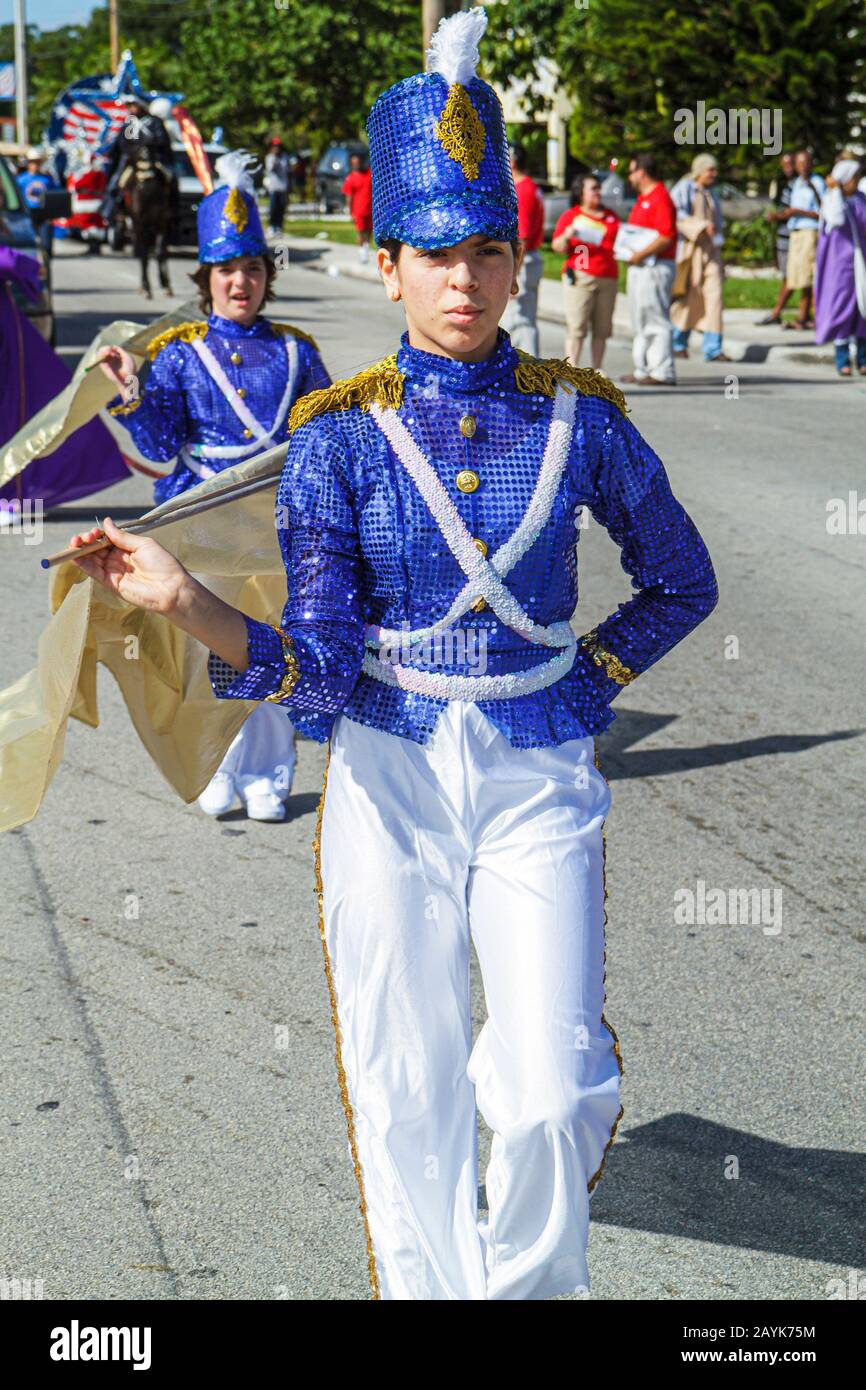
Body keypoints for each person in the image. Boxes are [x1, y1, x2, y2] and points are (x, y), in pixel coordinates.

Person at [66, 6, 718, 1300]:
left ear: (517, 259)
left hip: (538, 776)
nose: (462, 279)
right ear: (385, 265)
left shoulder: (580, 423)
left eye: (486, 249)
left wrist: (587, 680)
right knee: (404, 1075)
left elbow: (680, 580)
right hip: (388, 770)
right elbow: (317, 666)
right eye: (434, 253)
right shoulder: (336, 438)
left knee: (540, 1089)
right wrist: (185, 596)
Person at [92, 151, 331, 821]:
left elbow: (322, 440)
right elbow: (162, 445)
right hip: (199, 522)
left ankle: (269, 774)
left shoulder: (296, 351)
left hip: (274, 526)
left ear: (266, 276)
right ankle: (217, 766)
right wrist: (132, 391)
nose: (240, 283)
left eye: (252, 269)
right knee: (210, 654)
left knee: (276, 645)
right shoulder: (181, 352)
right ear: (207, 279)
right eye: (227, 270)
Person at [551, 172, 620, 371]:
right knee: (577, 326)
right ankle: (572, 370)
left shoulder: (610, 217)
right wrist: (567, 235)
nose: (598, 192)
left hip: (607, 277)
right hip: (580, 278)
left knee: (602, 328)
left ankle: (597, 370)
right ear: (581, 193)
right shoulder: (572, 216)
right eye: (593, 189)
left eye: (599, 188)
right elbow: (557, 246)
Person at [621, 153, 678, 386]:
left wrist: (639, 254)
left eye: (632, 171)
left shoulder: (661, 197)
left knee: (654, 318)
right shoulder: (644, 198)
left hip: (654, 267)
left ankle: (662, 370)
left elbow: (667, 235)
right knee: (639, 318)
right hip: (639, 266)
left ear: (642, 172)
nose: (630, 176)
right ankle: (643, 367)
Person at [670, 153, 730, 363]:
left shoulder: (710, 194)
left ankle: (713, 348)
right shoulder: (683, 189)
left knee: (715, 297)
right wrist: (702, 227)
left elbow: (718, 223)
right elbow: (676, 216)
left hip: (710, 251)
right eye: (710, 170)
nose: (713, 174)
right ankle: (678, 343)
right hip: (690, 251)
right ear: (700, 171)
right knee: (689, 298)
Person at [814, 158, 866, 377]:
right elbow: (835, 218)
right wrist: (835, 190)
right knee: (842, 308)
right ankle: (842, 359)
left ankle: (863, 359)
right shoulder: (833, 201)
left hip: (861, 262)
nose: (857, 181)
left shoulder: (861, 199)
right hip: (840, 264)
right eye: (853, 178)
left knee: (862, 309)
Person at [500, 142, 544, 353]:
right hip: (525, 258)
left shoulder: (523, 189)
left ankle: (529, 372)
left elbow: (522, 237)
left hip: (523, 259)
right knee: (520, 316)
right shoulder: (528, 187)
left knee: (520, 318)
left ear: (512, 160)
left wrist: (512, 274)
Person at [781, 149, 826, 330]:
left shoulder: (817, 182)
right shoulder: (797, 183)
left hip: (810, 231)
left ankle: (816, 317)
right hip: (797, 232)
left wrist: (798, 212)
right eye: (799, 163)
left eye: (805, 162)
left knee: (810, 277)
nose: (802, 167)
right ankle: (803, 316)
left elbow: (822, 211)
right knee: (798, 277)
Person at [756, 151, 796, 326]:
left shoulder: (801, 184)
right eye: (784, 165)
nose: (787, 168)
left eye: (790, 164)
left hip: (794, 236)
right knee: (789, 276)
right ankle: (801, 314)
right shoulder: (783, 183)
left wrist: (778, 216)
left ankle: (776, 312)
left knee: (792, 276)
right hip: (783, 236)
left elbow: (794, 210)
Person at [15, 147, 58, 258]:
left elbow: (55, 196)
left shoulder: (48, 179)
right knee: (27, 241)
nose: (35, 165)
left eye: (38, 162)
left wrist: (52, 214)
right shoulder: (20, 179)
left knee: (46, 243)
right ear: (28, 163)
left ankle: (46, 259)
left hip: (44, 213)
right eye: (33, 162)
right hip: (27, 213)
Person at [341, 152, 373, 265]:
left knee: (369, 231)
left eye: (357, 162)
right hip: (358, 210)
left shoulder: (368, 174)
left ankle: (366, 247)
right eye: (353, 163)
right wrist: (348, 210)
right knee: (360, 232)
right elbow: (348, 195)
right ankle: (362, 253)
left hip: (371, 209)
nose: (356, 164)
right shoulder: (350, 178)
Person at [264, 137, 291, 236]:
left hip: (283, 187)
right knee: (273, 208)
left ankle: (279, 226)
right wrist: (275, 158)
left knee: (281, 208)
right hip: (273, 187)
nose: (277, 148)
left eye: (278, 146)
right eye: (275, 146)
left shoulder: (285, 157)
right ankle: (272, 226)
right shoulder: (270, 157)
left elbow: (288, 171)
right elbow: (271, 169)